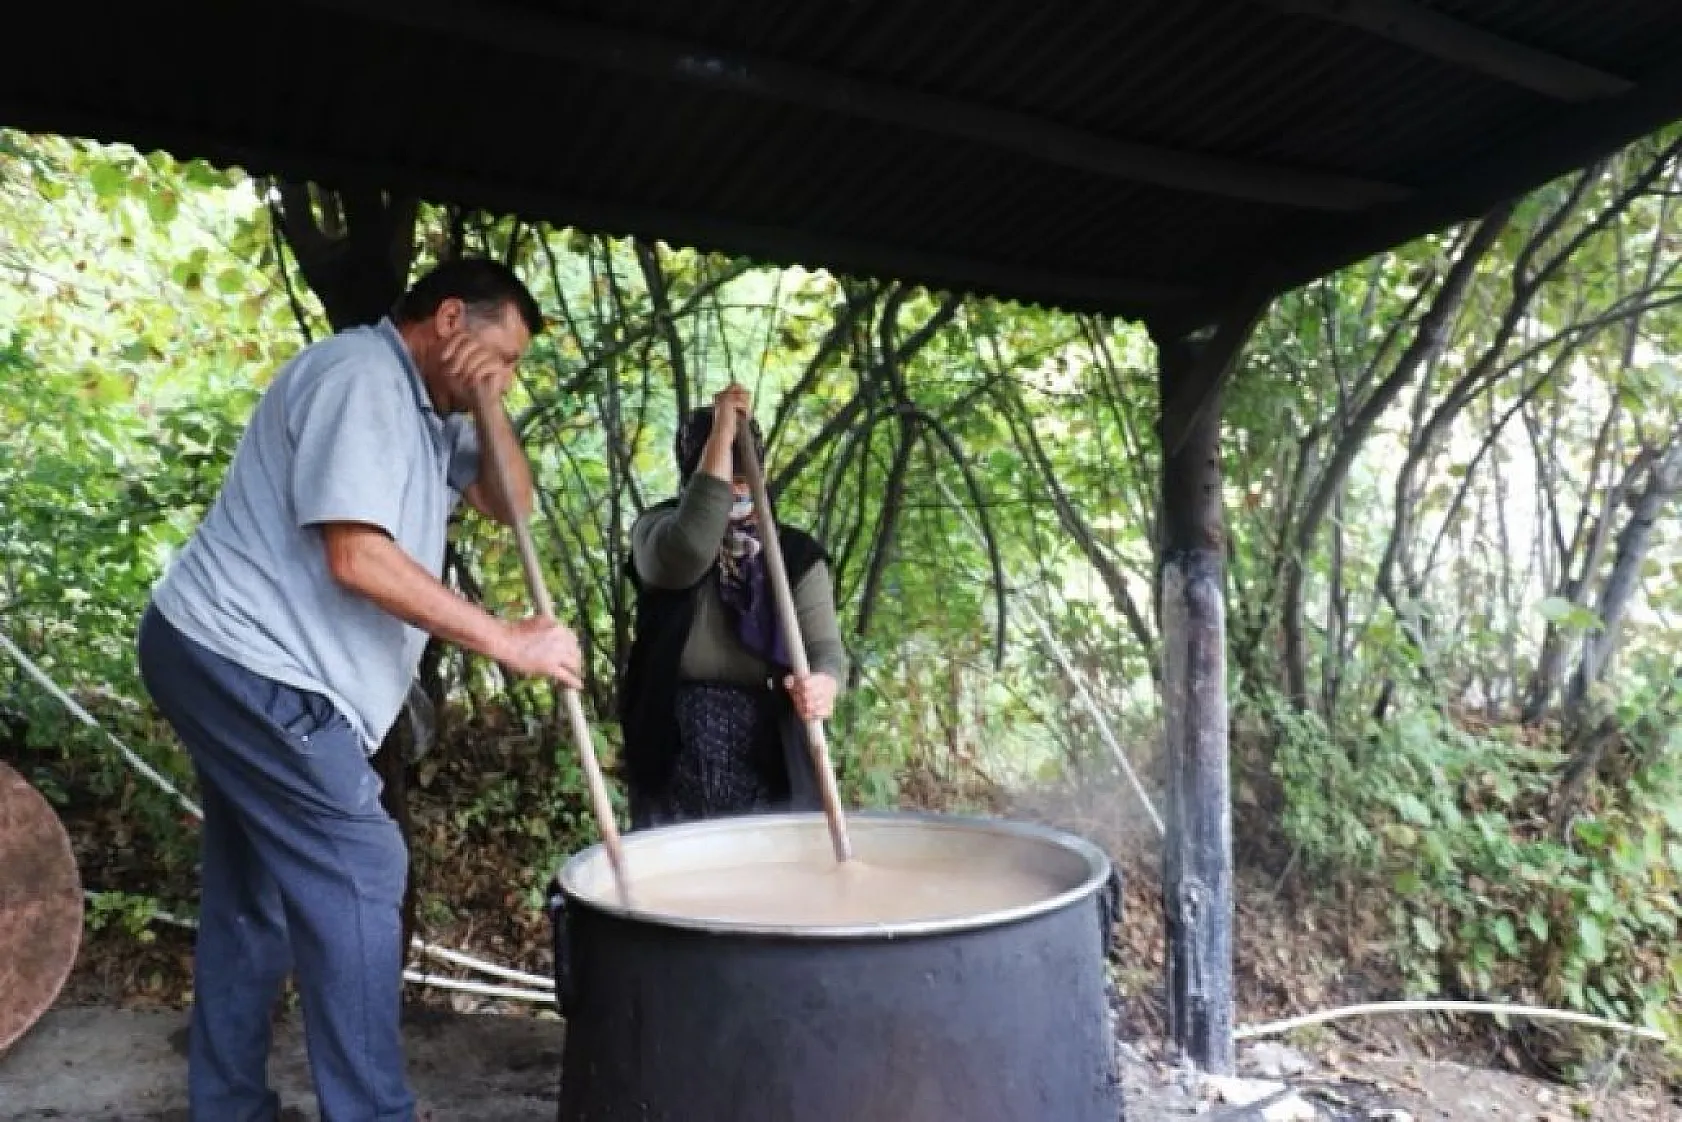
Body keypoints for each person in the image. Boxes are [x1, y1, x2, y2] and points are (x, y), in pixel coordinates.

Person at [136, 258, 581, 1122]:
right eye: (505, 356)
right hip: (247, 661)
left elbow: (512, 505)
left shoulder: (432, 412)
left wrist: (491, 403)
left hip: (232, 656)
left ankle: (228, 1108)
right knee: (362, 864)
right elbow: (358, 557)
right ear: (450, 318)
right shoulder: (362, 377)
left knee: (257, 893)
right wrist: (505, 640)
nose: (507, 374)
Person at [616, 383, 846, 827]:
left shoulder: (794, 554)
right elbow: (693, 546)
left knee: (765, 858)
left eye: (743, 474)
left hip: (767, 737)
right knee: (680, 860)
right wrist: (721, 434)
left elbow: (825, 649)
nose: (735, 487)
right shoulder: (657, 532)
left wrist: (825, 684)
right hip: (672, 734)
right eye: (724, 471)